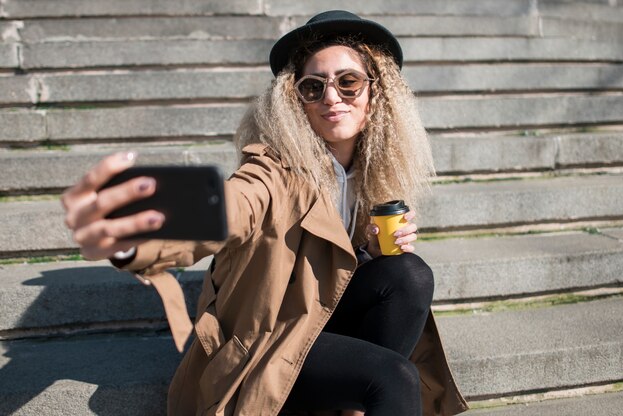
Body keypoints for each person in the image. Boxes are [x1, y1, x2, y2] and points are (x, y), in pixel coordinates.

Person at [62, 10, 468, 416]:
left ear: (376, 94)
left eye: (348, 83)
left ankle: (351, 406)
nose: (331, 98)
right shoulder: (272, 170)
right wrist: (136, 234)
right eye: (313, 87)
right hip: (269, 345)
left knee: (408, 274)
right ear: (295, 100)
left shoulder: (370, 173)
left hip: (321, 326)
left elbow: (329, 278)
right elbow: (229, 207)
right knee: (394, 376)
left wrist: (368, 254)